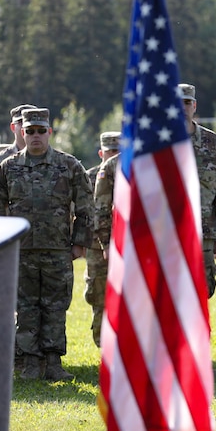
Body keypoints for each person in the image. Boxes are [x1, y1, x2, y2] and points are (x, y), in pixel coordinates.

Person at [0, 107, 94, 381]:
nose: (35, 136)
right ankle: (27, 365)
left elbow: (86, 206)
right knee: (25, 307)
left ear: (49, 132)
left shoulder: (69, 165)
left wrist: (80, 243)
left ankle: (52, 364)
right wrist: (4, 243)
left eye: (40, 131)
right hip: (21, 251)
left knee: (55, 306)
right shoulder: (7, 168)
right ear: (22, 133)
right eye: (30, 131)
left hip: (58, 250)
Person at [179, 83, 216, 299]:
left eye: (186, 103)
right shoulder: (158, 143)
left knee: (201, 291)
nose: (182, 108)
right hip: (167, 235)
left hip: (203, 234)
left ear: (194, 106)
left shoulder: (211, 142)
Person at [83, 131, 121, 347]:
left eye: (119, 151)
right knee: (99, 295)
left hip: (126, 245)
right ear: (101, 153)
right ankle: (103, 342)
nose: (116, 155)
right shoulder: (89, 177)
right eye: (111, 151)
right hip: (98, 248)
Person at [0, 105, 30, 173]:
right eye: (22, 122)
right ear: (13, 127)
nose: (26, 126)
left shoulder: (51, 159)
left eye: (29, 123)